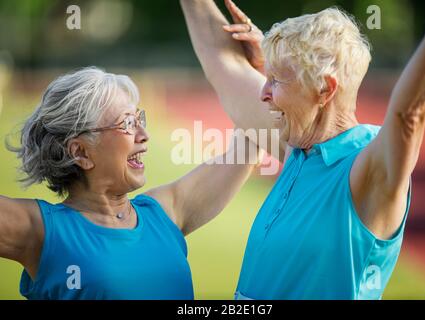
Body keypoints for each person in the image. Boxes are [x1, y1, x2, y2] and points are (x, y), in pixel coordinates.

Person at [181, 0, 425, 299]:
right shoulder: (299, 148)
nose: (262, 92)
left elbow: (409, 113)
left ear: (325, 89)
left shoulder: (366, 173)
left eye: (276, 80)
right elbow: (224, 66)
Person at [0, 66, 260, 299]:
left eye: (139, 120)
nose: (144, 135)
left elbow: (249, 144)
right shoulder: (42, 231)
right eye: (127, 123)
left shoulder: (164, 213)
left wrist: (253, 71)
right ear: (80, 152)